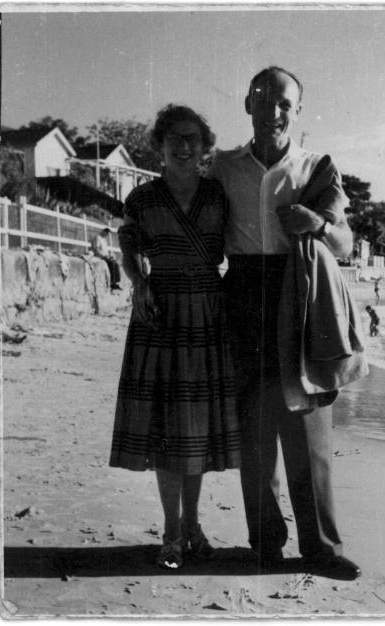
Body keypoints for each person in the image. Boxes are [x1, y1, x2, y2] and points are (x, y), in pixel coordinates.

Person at [209, 66, 360, 578]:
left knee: (309, 426)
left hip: (301, 295)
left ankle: (321, 548)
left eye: (283, 103)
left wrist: (318, 224)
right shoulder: (221, 166)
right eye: (261, 99)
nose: (272, 111)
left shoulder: (317, 167)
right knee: (254, 428)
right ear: (246, 104)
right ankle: (264, 545)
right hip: (244, 290)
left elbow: (346, 245)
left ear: (297, 110)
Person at [109, 105, 240, 569]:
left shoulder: (219, 196)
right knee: (168, 429)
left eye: (192, 139)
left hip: (207, 311)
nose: (184, 147)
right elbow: (127, 243)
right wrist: (139, 282)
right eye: (174, 139)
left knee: (195, 430)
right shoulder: (143, 199)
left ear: (205, 147)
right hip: (160, 312)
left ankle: (193, 526)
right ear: (160, 146)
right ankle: (170, 531)